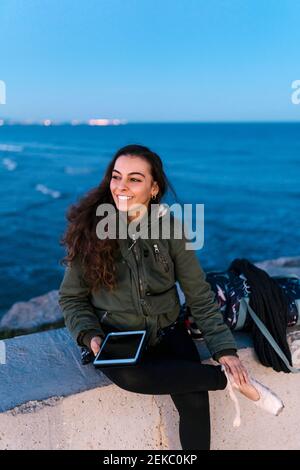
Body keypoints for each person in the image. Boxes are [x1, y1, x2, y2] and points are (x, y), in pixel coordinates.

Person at [58, 144, 283, 450]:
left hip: (169, 331)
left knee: (194, 404)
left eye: (134, 179)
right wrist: (89, 335)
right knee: (134, 378)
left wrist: (224, 350)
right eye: (116, 176)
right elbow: (72, 298)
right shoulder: (92, 232)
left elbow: (198, 293)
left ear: (153, 189)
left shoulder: (171, 229)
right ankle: (227, 382)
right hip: (121, 338)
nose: (121, 186)